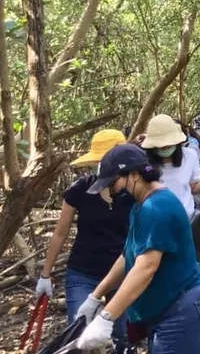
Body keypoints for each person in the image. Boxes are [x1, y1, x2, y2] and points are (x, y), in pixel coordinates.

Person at [75, 144, 200, 353]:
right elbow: (128, 256)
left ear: (134, 175)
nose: (111, 191)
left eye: (113, 183)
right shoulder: (141, 206)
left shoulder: (157, 208)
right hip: (167, 309)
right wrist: (95, 297)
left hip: (184, 308)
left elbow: (146, 267)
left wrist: (107, 317)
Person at [36, 130, 133, 354]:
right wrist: (45, 274)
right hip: (83, 271)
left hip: (122, 272)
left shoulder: (133, 192)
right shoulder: (79, 189)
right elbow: (60, 233)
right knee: (78, 329)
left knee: (120, 333)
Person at [142, 114, 200, 219]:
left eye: (168, 145)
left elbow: (194, 187)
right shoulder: (144, 161)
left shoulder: (190, 155)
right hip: (155, 220)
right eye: (160, 146)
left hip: (186, 219)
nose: (165, 148)